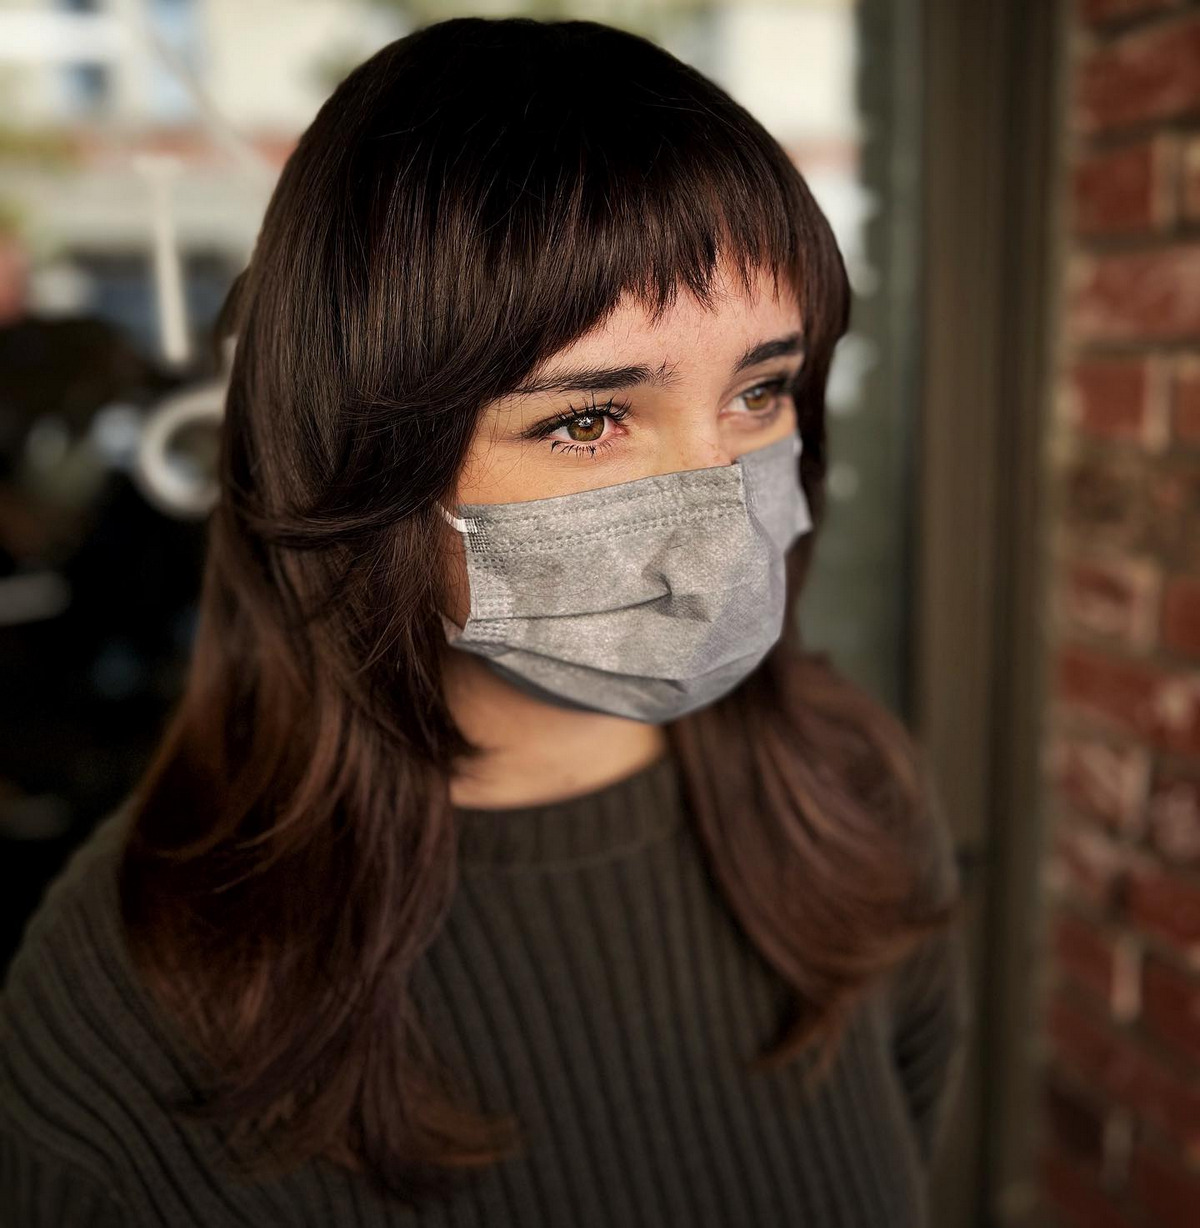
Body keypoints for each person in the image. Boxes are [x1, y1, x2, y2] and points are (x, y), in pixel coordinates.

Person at [0, 15, 969, 1227]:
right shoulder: (130, 995)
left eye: (760, 389)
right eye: (586, 420)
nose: (720, 509)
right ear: (361, 468)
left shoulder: (857, 803)